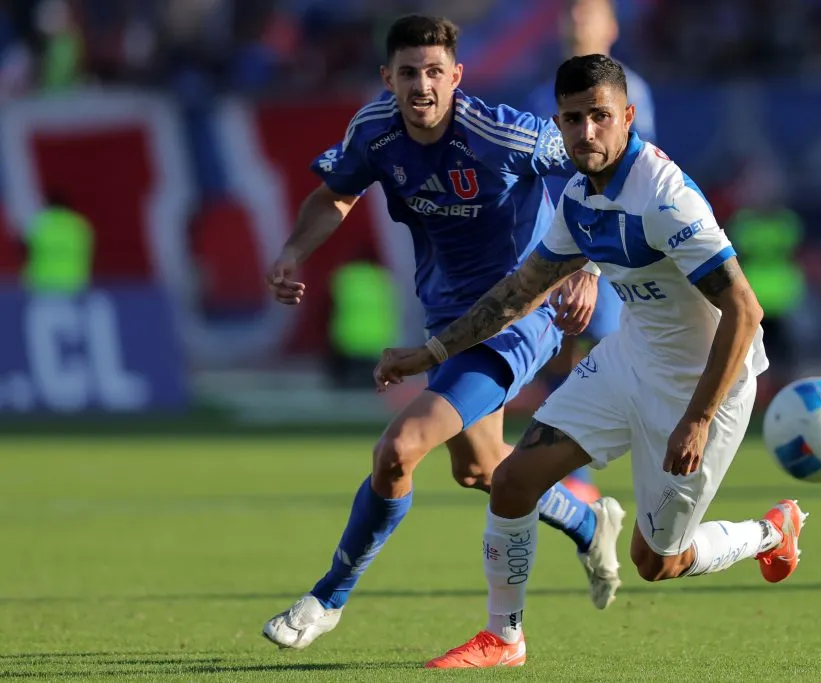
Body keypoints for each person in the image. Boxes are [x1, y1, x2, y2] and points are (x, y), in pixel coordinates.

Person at [375, 55, 808, 669]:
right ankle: (504, 636)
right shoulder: (578, 196)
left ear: (628, 118)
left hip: (701, 385)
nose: (586, 133)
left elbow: (744, 311)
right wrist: (434, 352)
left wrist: (697, 418)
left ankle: (770, 532)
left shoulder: (666, 198)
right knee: (513, 481)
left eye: (600, 117)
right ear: (559, 122)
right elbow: (518, 292)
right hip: (628, 359)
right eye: (573, 119)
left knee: (657, 562)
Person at [261, 16, 627, 651]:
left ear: (457, 77)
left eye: (435, 73)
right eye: (408, 73)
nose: (421, 86)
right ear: (389, 79)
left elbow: (593, 166)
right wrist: (294, 251)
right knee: (482, 471)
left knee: (400, 448)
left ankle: (327, 598)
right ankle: (588, 522)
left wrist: (586, 265)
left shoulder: (499, 133)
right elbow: (334, 196)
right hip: (449, 318)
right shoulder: (374, 131)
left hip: (520, 314)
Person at [525, 0, 658, 502]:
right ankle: (573, 473)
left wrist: (596, 261)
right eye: (570, 14)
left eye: (588, 13)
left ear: (612, 27)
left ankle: (604, 463)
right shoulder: (544, 93)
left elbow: (638, 176)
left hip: (608, 244)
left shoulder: (632, 92)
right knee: (557, 350)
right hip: (556, 240)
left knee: (607, 350)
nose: (576, 22)